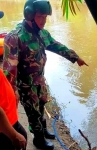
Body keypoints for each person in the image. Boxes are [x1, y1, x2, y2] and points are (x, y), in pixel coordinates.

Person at [3, 0, 88, 150]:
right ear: (29, 15)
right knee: (33, 112)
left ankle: (43, 130)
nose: (44, 21)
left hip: (40, 80)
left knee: (42, 104)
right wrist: (13, 90)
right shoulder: (15, 37)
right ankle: (39, 139)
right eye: (40, 17)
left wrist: (75, 57)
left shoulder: (42, 33)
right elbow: (10, 69)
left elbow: (56, 45)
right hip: (26, 85)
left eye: (46, 17)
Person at [0, 11, 27, 150]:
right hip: (4, 127)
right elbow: (10, 66)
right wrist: (13, 135)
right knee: (20, 138)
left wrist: (12, 90)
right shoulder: (14, 37)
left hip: (9, 117)